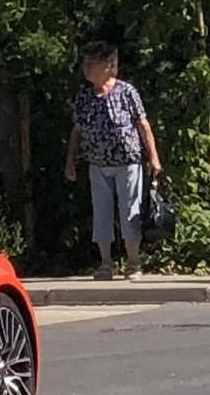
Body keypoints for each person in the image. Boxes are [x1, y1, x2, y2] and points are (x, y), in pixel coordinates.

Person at [64, 41, 163, 280]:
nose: (86, 69)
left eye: (92, 64)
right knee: (102, 213)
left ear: (109, 66)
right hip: (97, 164)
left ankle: (133, 263)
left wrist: (154, 158)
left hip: (127, 162)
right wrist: (70, 161)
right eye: (85, 63)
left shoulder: (126, 92)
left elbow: (143, 125)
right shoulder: (85, 95)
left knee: (130, 211)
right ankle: (105, 264)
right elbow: (77, 130)